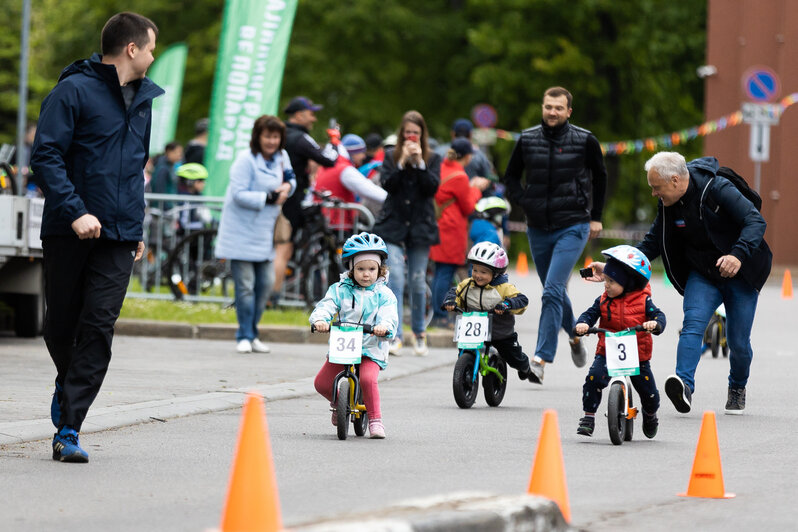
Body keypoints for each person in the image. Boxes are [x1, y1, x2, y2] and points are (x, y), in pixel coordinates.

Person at [30, 12, 162, 463]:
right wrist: (75, 212)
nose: (152, 56)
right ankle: (67, 385)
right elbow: (45, 156)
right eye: (150, 48)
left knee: (99, 326)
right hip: (70, 230)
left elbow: (135, 171)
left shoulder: (143, 101)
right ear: (131, 48)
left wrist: (136, 227)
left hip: (119, 237)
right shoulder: (73, 91)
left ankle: (70, 426)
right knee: (61, 325)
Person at [633, 152, 771, 414]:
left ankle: (737, 387)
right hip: (704, 273)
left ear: (675, 180)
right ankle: (684, 385)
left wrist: (737, 255)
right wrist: (618, 265)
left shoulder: (718, 188)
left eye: (656, 188)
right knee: (692, 325)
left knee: (738, 342)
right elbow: (652, 242)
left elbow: (755, 221)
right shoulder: (669, 203)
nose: (654, 194)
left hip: (740, 273)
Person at [503, 86, 608, 384]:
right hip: (537, 226)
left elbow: (601, 176)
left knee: (551, 291)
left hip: (573, 224)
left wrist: (596, 216)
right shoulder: (526, 139)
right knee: (555, 290)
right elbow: (510, 176)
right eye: (548, 106)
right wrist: (524, 200)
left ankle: (540, 359)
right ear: (542, 107)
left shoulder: (585, 140)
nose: (552, 112)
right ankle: (575, 336)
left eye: (559, 108)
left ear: (568, 112)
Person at [214, 115, 295, 354]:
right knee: (246, 286)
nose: (271, 141)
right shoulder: (245, 159)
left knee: (266, 284)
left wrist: (288, 187)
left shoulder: (282, 157)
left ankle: (253, 331)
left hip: (264, 231)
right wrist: (270, 197)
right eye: (267, 136)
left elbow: (291, 178)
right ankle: (245, 334)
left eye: (275, 136)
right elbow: (239, 193)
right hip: (240, 230)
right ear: (258, 137)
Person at [311, 232, 398, 439]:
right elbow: (327, 305)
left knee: (368, 379)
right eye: (360, 269)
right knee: (321, 383)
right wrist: (320, 320)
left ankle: (376, 420)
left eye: (371, 269)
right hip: (344, 345)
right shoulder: (340, 289)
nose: (366, 274)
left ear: (380, 269)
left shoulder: (384, 294)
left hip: (370, 346)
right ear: (351, 268)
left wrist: (384, 327)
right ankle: (338, 403)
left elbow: (389, 316)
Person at [573, 245, 666, 438]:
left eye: (611, 281)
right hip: (607, 351)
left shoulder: (643, 301)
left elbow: (659, 315)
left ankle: (650, 415)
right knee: (593, 378)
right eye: (605, 279)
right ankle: (588, 417)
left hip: (637, 356)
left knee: (649, 393)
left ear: (628, 283)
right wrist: (583, 323)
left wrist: (655, 324)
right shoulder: (604, 299)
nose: (606, 285)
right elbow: (590, 314)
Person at [372, 110, 441, 356]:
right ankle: (396, 334)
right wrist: (401, 163)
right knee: (396, 278)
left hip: (420, 227)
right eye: (408, 132)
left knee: (417, 280)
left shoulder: (432, 158)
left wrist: (420, 163)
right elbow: (388, 185)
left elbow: (432, 188)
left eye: (416, 133)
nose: (412, 137)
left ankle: (419, 333)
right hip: (394, 225)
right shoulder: (391, 156)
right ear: (402, 133)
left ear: (422, 135)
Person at [272, 96, 338, 304]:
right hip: (291, 198)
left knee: (275, 247)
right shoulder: (300, 137)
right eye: (311, 113)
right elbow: (329, 160)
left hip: (278, 194)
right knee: (284, 248)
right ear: (299, 115)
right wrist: (335, 141)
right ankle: (270, 298)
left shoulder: (280, 134)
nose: (314, 119)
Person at [442, 241, 535, 382]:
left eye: (483, 272)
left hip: (500, 332)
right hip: (474, 330)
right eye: (475, 270)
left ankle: (524, 366)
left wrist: (506, 304)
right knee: (463, 353)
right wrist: (450, 302)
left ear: (496, 274)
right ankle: (465, 371)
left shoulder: (503, 288)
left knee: (513, 356)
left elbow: (522, 300)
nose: (478, 275)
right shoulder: (467, 285)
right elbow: (455, 292)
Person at [429, 138, 490, 329]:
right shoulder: (460, 175)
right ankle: (440, 315)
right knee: (445, 273)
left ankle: (438, 314)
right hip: (452, 228)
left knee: (440, 272)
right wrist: (476, 189)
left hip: (439, 225)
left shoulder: (442, 167)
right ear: (469, 156)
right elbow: (468, 206)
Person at [313, 133, 387, 230]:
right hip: (337, 226)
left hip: (325, 222)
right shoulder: (344, 169)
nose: (364, 156)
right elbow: (370, 190)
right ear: (353, 153)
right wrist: (393, 199)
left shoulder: (331, 165)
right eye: (361, 152)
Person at [174, 162, 211, 233]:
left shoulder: (198, 195)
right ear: (190, 182)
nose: (204, 184)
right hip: (185, 234)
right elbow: (184, 223)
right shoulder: (184, 197)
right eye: (201, 181)